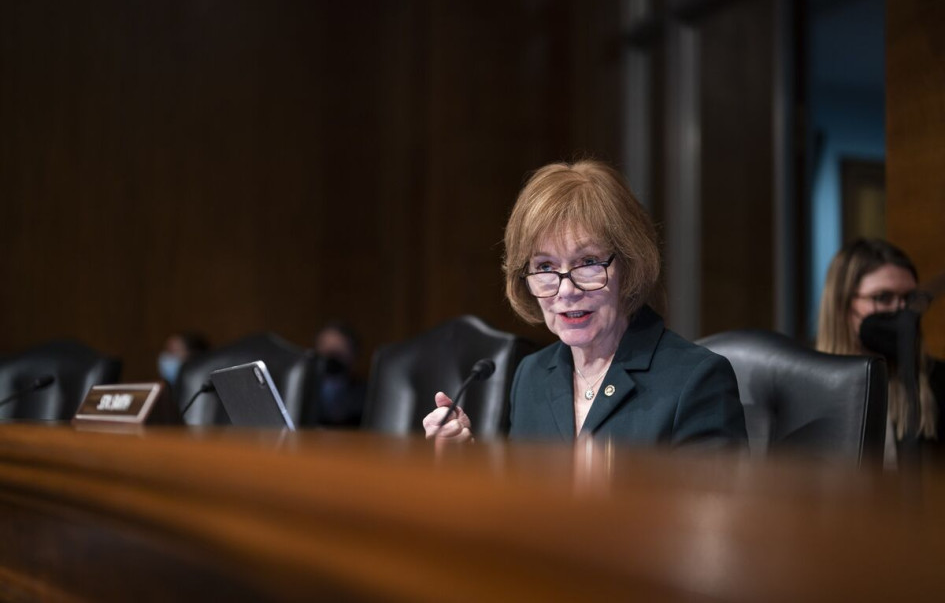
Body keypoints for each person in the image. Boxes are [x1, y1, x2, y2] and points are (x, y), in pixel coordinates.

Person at [422, 159, 747, 447]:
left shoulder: (696, 379)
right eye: (545, 267)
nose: (566, 291)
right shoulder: (532, 375)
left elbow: (713, 514)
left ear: (629, 265)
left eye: (588, 262)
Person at [816, 238, 944, 465]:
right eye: (883, 298)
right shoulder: (807, 389)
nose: (901, 310)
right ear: (842, 305)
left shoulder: (939, 383)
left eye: (909, 299)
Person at [308, 322, 366, 428]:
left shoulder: (365, 395)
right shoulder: (303, 392)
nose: (330, 359)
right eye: (325, 348)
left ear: (353, 354)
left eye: (337, 352)